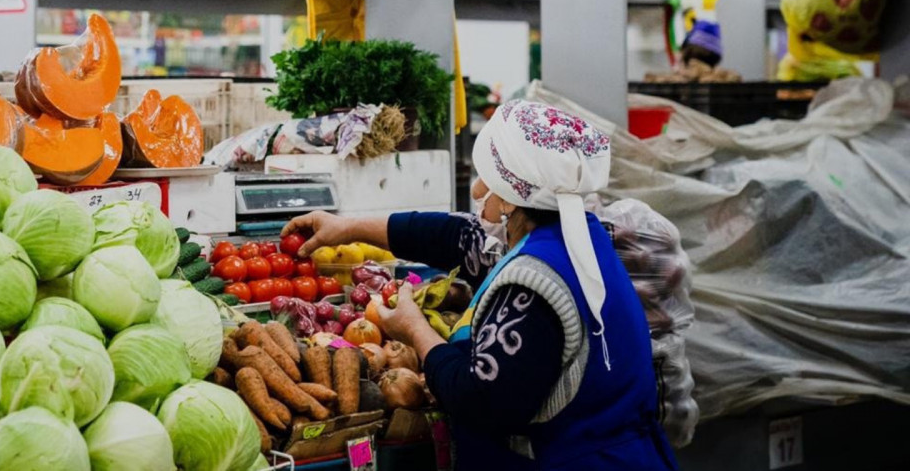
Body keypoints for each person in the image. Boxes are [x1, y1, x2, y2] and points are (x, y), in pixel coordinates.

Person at [283, 100, 677, 471]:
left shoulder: (534, 283)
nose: (475, 191)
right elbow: (453, 237)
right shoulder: (577, 236)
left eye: (485, 176)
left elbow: (478, 399)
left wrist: (414, 329)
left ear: (509, 196)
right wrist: (345, 226)